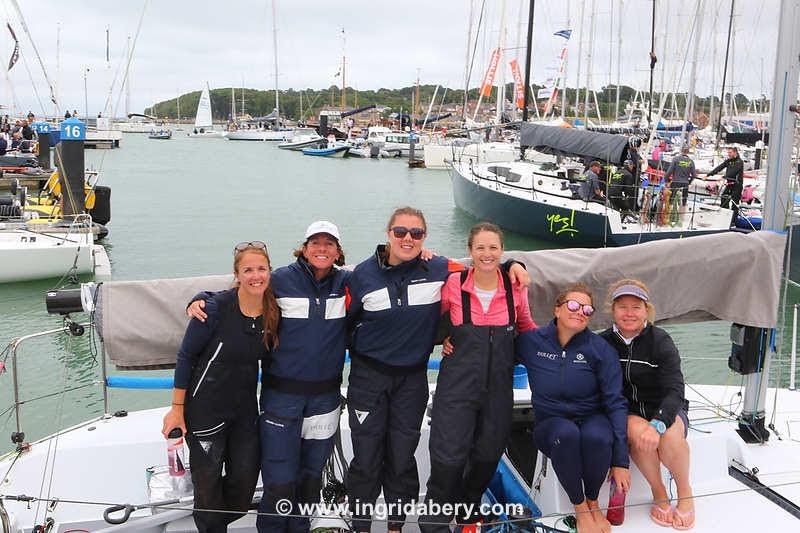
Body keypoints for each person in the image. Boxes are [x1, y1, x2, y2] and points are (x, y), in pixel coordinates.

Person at [346, 207, 529, 533]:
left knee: (403, 457)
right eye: (400, 232)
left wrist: (515, 264)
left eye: (416, 234)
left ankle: (397, 527)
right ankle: (363, 526)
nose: (408, 238)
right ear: (388, 233)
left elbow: (491, 274)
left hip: (415, 379)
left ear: (424, 238)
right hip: (369, 379)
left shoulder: (442, 268)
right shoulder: (362, 275)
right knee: (367, 459)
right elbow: (342, 322)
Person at [188, 221, 350, 533]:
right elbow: (244, 287)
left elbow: (385, 278)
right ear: (303, 248)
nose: (321, 249)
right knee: (280, 479)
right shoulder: (280, 280)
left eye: (329, 244)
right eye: (315, 243)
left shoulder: (347, 283)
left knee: (310, 477)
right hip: (282, 399)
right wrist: (199, 296)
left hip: (325, 399)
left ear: (338, 251)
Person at [420, 222, 536, 533]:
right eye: (480, 248)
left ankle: (468, 509)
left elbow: (526, 328)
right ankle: (435, 519)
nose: (487, 254)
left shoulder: (516, 290)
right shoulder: (454, 284)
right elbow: (432, 321)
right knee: (448, 459)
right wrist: (443, 338)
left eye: (493, 248)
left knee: (487, 455)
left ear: (502, 251)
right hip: (456, 387)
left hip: (498, 388)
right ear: (470, 251)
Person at [162, 241, 278, 532]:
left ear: (270, 272)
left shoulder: (272, 311)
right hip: (205, 412)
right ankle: (210, 523)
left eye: (261, 269)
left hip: (244, 414)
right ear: (237, 274)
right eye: (248, 270)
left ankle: (211, 520)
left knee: (245, 480)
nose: (256, 276)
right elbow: (186, 356)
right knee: (208, 486)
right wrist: (176, 410)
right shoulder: (212, 310)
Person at [516, 283, 629, 533]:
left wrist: (621, 461)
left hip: (591, 417)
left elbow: (615, 402)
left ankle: (592, 501)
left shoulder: (600, 350)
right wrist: (452, 341)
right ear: (557, 309)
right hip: (551, 423)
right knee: (566, 434)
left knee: (598, 438)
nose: (580, 312)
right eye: (574, 305)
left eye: (587, 309)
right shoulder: (531, 342)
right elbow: (494, 350)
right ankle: (580, 508)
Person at [599, 279, 694, 530]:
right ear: (613, 310)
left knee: (672, 439)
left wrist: (659, 424)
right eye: (622, 307)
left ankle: (685, 492)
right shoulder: (603, 342)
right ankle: (659, 491)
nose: (629, 313)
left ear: (646, 311)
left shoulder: (661, 340)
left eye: (636, 307)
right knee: (639, 436)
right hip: (630, 410)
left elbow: (675, 389)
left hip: (665, 407)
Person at [706, 147, 744, 225]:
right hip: (729, 184)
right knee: (724, 198)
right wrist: (709, 175)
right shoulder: (729, 161)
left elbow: (733, 172)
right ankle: (725, 217)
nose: (728, 154)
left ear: (735, 152)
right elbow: (719, 167)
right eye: (728, 153)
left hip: (737, 185)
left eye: (730, 153)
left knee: (734, 204)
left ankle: (733, 221)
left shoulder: (739, 162)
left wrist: (724, 177)